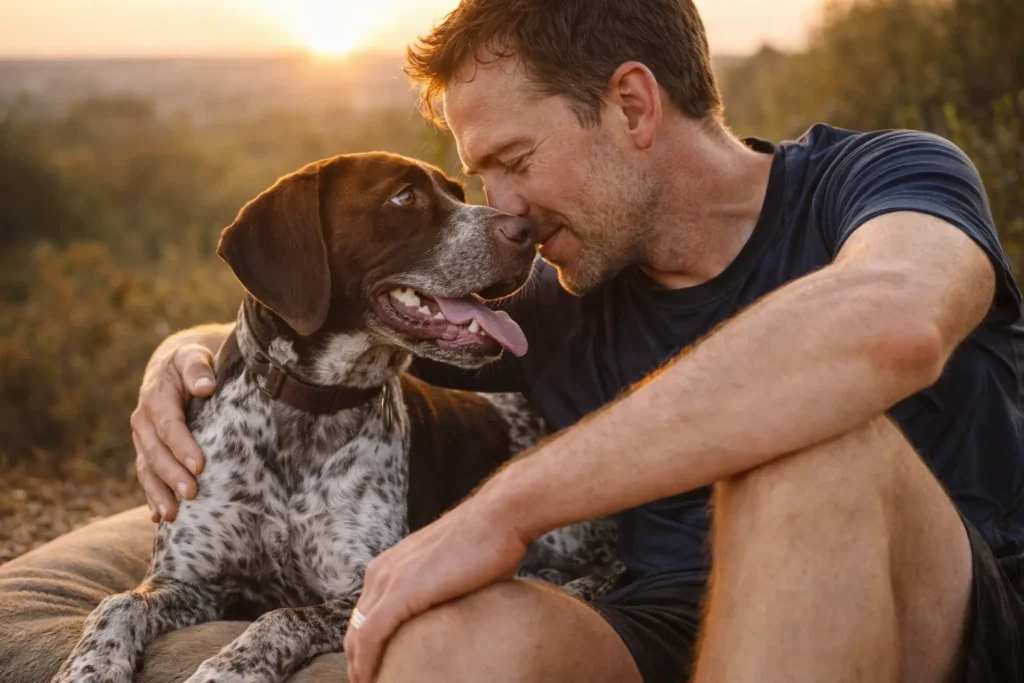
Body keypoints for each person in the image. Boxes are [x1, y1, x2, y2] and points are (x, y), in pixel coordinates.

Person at [132, 1, 1024, 681]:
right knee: (439, 640)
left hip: (942, 610)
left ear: (632, 104)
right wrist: (178, 360)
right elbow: (320, 330)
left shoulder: (882, 178)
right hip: (658, 624)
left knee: (809, 450)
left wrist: (501, 510)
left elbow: (894, 318)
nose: (502, 214)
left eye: (513, 164)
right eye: (482, 177)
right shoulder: (561, 297)